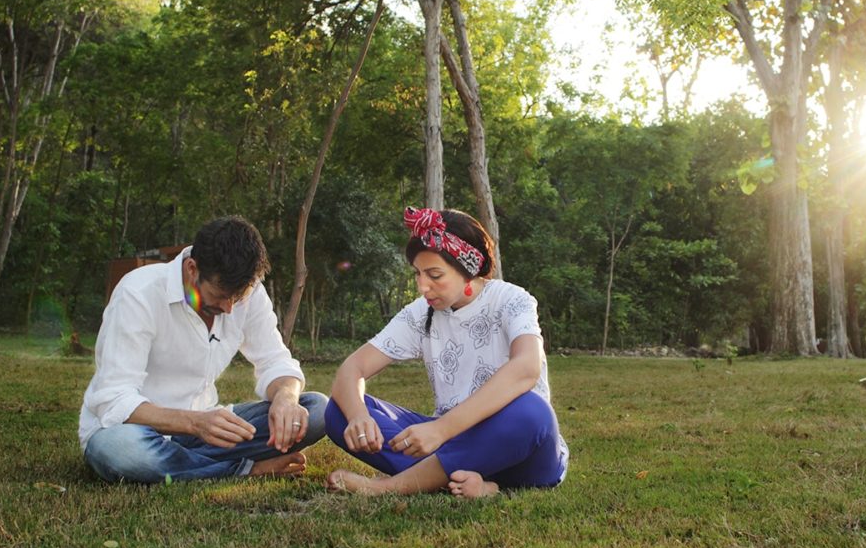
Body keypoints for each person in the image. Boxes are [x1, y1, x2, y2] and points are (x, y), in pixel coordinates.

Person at [324, 207, 568, 498]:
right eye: (418, 273)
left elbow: (526, 368)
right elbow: (352, 369)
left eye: (435, 274)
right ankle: (468, 480)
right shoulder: (420, 314)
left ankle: (390, 487)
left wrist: (442, 429)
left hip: (519, 447)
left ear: (468, 270)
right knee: (340, 409)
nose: (422, 286)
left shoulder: (511, 299)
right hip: (450, 441)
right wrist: (358, 417)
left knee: (532, 411)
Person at [79, 216, 328, 483]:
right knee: (118, 450)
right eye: (220, 295)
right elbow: (113, 399)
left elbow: (275, 361)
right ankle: (244, 469)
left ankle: (187, 465)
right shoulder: (138, 293)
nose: (229, 308)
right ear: (192, 269)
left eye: (238, 297)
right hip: (138, 432)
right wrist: (195, 423)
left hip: (209, 432)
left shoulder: (250, 292)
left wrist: (286, 399)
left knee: (317, 410)